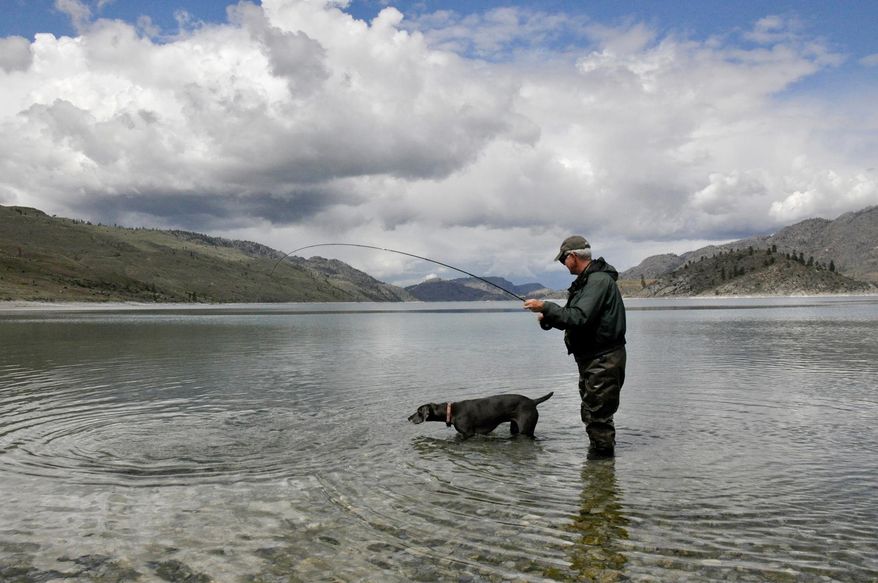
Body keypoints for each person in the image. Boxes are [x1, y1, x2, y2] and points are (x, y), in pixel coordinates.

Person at [524, 235, 627, 459]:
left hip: (603, 360)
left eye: (562, 259)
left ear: (572, 256)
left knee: (598, 416)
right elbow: (575, 319)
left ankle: (601, 470)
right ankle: (600, 474)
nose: (563, 264)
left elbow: (579, 317)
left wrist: (546, 306)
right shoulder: (588, 282)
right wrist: (548, 319)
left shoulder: (598, 281)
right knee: (594, 412)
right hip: (594, 359)